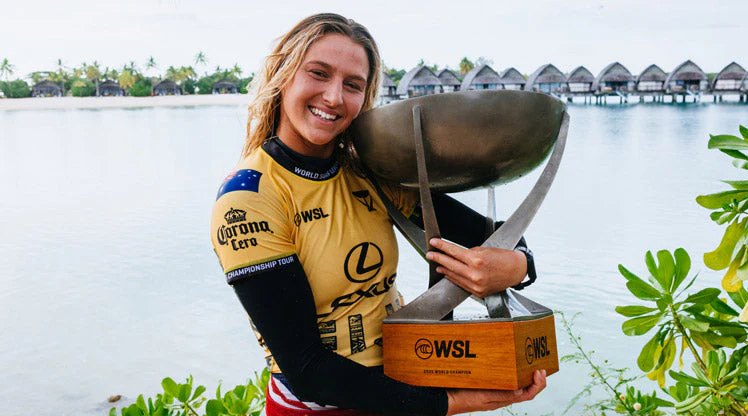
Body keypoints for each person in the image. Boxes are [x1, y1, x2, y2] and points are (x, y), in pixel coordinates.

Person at [210, 13, 546, 415]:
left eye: (353, 84)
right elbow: (307, 369)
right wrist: (452, 402)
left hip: (406, 388)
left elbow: (499, 236)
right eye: (318, 73)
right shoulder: (248, 199)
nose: (334, 97)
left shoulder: (371, 175)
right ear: (283, 75)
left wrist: (517, 266)